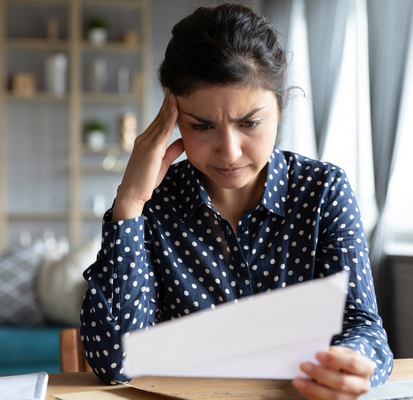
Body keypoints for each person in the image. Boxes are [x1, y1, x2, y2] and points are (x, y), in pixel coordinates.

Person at [80, 3, 393, 399]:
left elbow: (363, 325)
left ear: (280, 108)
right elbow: (114, 365)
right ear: (172, 117)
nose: (228, 152)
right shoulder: (153, 205)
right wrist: (128, 203)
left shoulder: (323, 190)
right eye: (202, 126)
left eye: (249, 123)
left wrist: (350, 362)